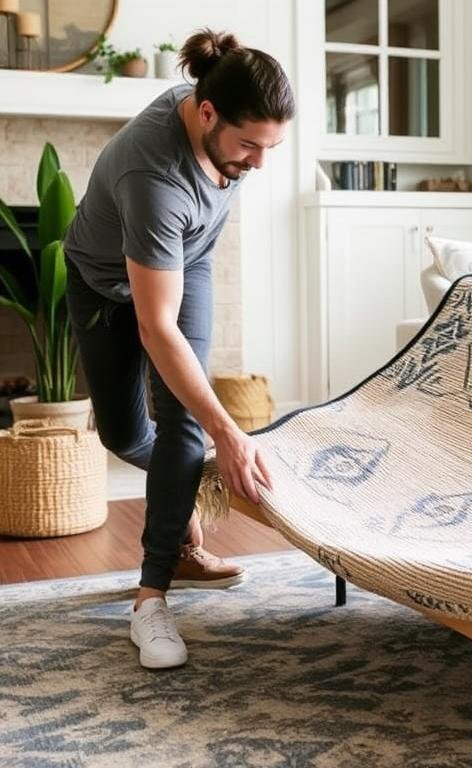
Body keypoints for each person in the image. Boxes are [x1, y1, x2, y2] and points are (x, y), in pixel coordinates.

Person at [63, 28, 294, 669]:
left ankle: (152, 597)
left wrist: (207, 426)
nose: (259, 163)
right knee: (124, 434)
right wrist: (228, 432)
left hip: (186, 263)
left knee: (182, 422)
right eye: (249, 146)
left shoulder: (225, 125)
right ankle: (187, 482)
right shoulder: (153, 173)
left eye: (271, 147)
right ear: (207, 114)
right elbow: (156, 328)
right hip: (102, 283)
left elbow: (171, 323)